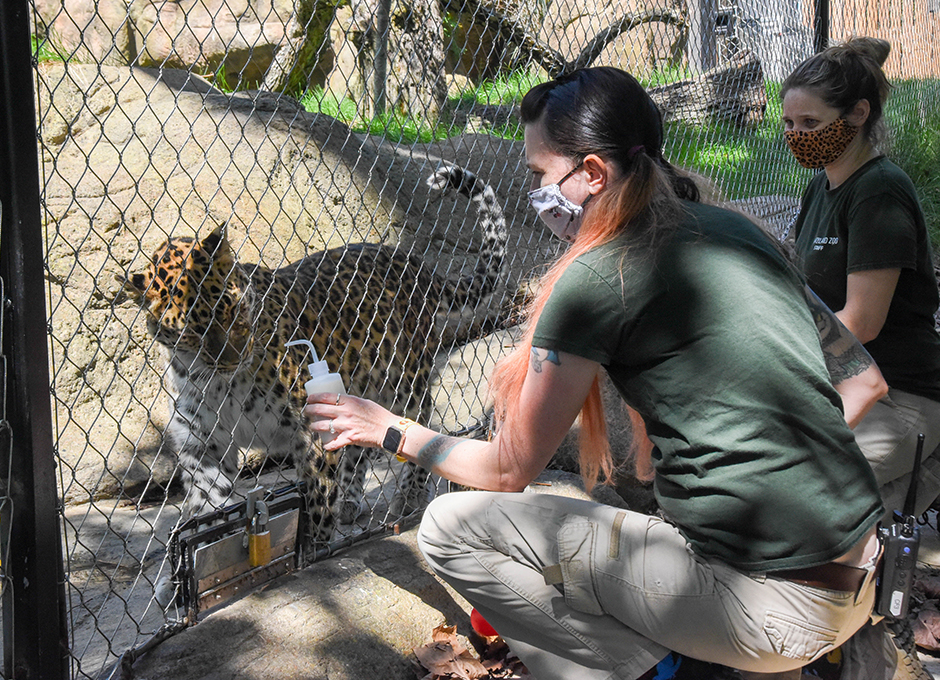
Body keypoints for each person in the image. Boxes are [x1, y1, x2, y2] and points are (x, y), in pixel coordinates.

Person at [303, 67, 887, 679]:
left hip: (767, 611)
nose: (533, 194)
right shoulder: (739, 230)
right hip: (863, 573)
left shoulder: (596, 279)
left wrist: (390, 429)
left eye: (537, 176)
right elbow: (862, 379)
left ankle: (667, 673)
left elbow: (506, 470)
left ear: (592, 173)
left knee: (451, 527)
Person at [782, 37, 940, 519]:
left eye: (811, 123)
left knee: (800, 497)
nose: (797, 134)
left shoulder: (878, 190)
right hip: (842, 384)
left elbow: (861, 323)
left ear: (856, 114)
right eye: (788, 123)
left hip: (899, 393)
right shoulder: (821, 185)